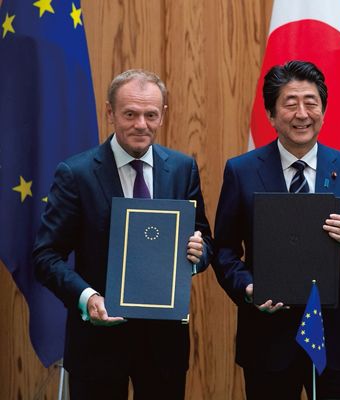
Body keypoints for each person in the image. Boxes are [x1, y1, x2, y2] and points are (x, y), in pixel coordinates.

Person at [33, 69, 213, 400]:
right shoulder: (76, 174)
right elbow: (46, 256)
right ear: (110, 112)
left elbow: (203, 241)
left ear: (163, 115)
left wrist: (197, 255)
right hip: (97, 342)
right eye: (130, 114)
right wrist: (88, 298)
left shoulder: (182, 168)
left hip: (163, 346)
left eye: (150, 115)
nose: (141, 124)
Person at [213, 60, 340, 400]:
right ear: (271, 115)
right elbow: (224, 249)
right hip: (267, 337)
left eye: (311, 103)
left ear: (323, 111)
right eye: (290, 103)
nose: (302, 114)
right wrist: (248, 288)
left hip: (335, 335)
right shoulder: (242, 171)